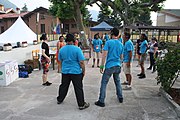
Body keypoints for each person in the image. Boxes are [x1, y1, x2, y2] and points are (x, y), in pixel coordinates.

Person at [57, 34, 90, 110]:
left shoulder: (62, 49)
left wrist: (62, 69)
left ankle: (60, 99)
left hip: (65, 71)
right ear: (74, 41)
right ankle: (81, 104)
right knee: (78, 88)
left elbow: (60, 60)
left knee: (64, 86)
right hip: (76, 71)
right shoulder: (77, 49)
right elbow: (81, 62)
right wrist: (83, 71)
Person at [95, 28, 124, 107]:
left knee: (104, 83)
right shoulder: (121, 44)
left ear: (111, 34)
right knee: (117, 81)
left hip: (109, 66)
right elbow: (121, 57)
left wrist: (101, 65)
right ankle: (120, 97)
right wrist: (120, 64)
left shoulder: (108, 42)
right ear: (118, 35)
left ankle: (101, 101)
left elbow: (104, 55)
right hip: (117, 65)